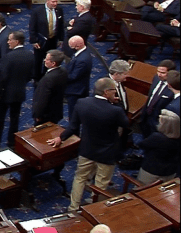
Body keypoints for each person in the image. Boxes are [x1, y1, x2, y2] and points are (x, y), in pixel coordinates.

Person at [47, 78, 129, 211]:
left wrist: (60, 138)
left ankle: (73, 207)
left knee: (80, 178)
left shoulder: (82, 103)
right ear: (106, 92)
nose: (116, 93)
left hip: (87, 149)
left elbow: (73, 127)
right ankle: (94, 208)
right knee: (101, 183)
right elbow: (126, 123)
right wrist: (117, 104)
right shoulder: (115, 110)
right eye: (114, 91)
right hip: (107, 153)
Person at [0, 31, 33, 148]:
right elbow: (31, 75)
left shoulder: (8, 57)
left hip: (4, 94)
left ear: (17, 41)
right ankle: (12, 143)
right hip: (19, 92)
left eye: (10, 39)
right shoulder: (30, 54)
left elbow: (2, 77)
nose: (8, 42)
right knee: (15, 119)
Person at [137, 109, 180, 184]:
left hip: (151, 171)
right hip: (170, 172)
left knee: (142, 189)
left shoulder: (157, 137)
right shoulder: (178, 138)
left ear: (165, 125)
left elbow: (142, 144)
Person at [29, 0, 64, 81]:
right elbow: (32, 26)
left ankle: (46, 77)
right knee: (38, 60)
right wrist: (34, 40)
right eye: (53, 2)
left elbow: (61, 25)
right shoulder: (37, 11)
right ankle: (36, 78)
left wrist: (61, 39)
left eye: (56, 1)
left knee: (50, 59)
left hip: (53, 40)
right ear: (47, 1)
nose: (55, 3)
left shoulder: (59, 10)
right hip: (40, 41)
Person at [139, 60, 176, 137]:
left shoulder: (174, 87)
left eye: (163, 73)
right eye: (158, 71)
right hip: (146, 115)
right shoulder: (156, 78)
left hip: (158, 121)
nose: (159, 74)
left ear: (171, 73)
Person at [32, 49, 68, 125]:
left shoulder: (48, 79)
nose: (44, 60)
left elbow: (43, 99)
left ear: (53, 63)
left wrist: (38, 115)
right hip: (56, 111)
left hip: (46, 115)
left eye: (47, 59)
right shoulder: (63, 71)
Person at [64, 36, 92, 120]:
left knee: (73, 116)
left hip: (76, 91)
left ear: (77, 46)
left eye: (71, 47)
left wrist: (60, 75)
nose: (70, 49)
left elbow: (73, 76)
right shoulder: (83, 52)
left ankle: (74, 132)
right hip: (78, 89)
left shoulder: (82, 60)